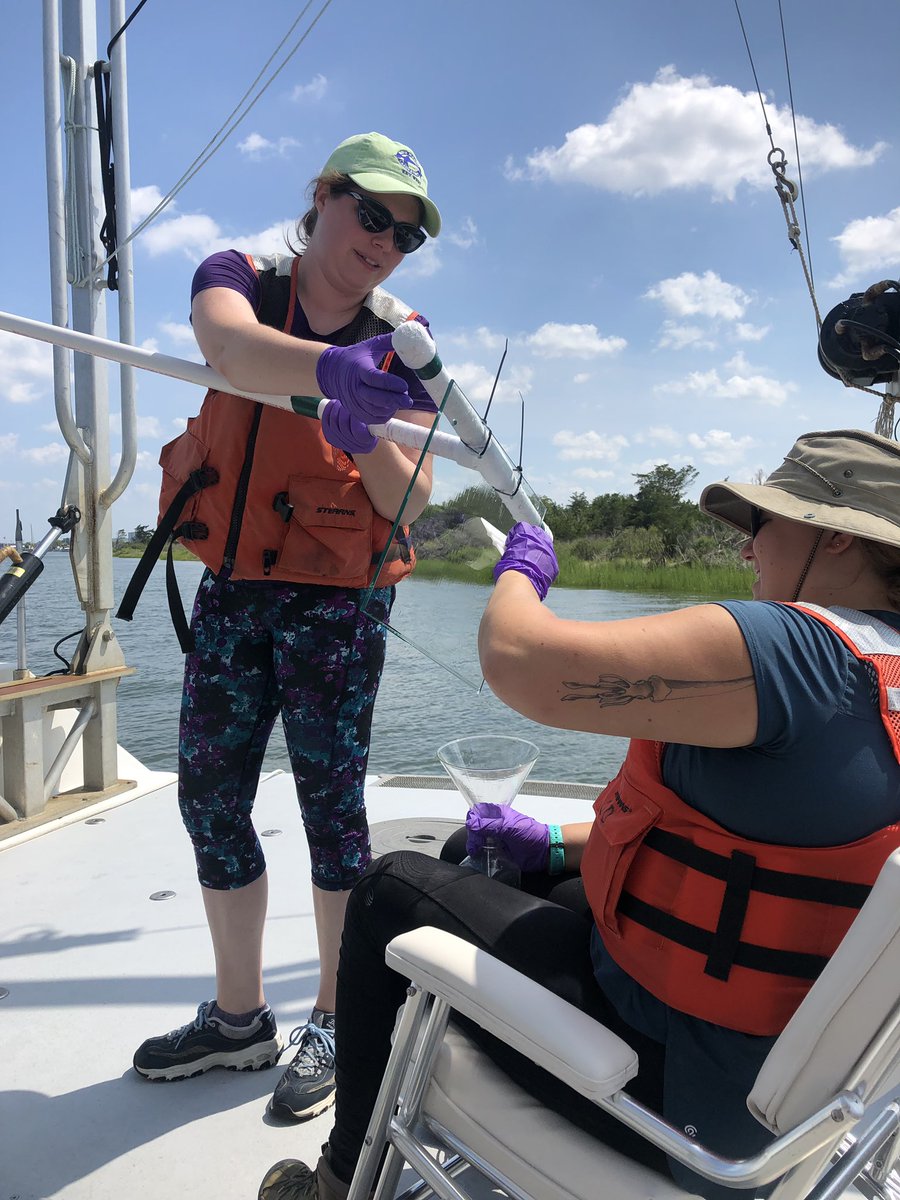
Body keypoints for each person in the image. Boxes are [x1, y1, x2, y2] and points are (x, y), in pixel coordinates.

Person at [257, 428, 900, 1200]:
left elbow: (522, 664)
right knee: (473, 853)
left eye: (764, 525)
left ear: (834, 536)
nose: (746, 552)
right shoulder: (881, 679)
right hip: (788, 1106)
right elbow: (753, 855)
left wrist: (522, 575)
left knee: (387, 890)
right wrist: (554, 842)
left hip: (686, 1107)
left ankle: (336, 1185)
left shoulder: (800, 649)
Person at [131, 132, 442, 1125]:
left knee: (331, 811)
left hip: (338, 604)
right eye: (373, 215)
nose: (387, 242)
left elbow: (413, 499)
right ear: (325, 196)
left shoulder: (409, 336)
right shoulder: (239, 275)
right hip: (233, 587)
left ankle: (335, 1020)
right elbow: (225, 346)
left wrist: (371, 429)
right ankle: (236, 1019)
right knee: (209, 799)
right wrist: (331, 371)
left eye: (407, 233)